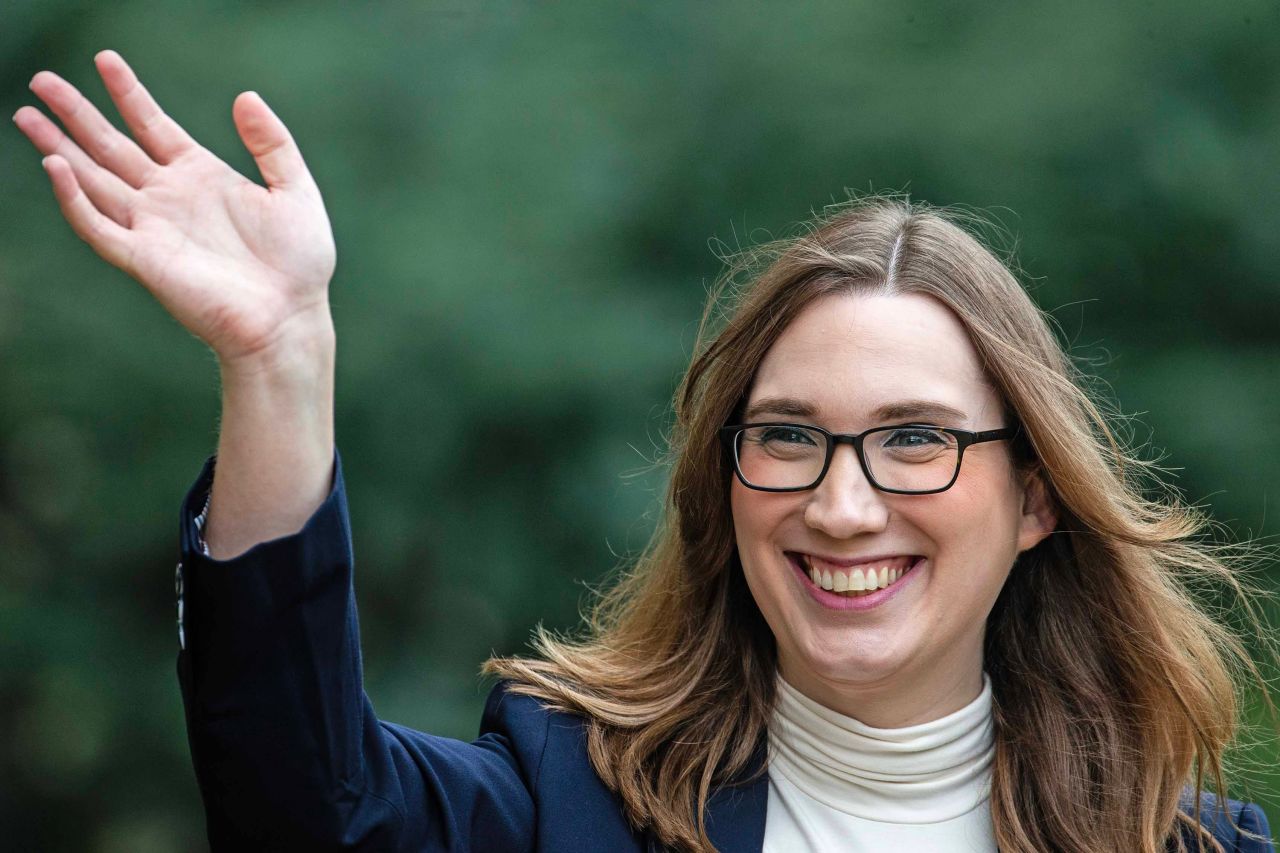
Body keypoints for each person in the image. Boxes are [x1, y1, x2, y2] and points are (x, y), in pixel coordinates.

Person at [15, 51, 1277, 853]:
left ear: (1035, 497)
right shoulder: (565, 797)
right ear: (723, 481)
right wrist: (280, 359)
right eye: (786, 437)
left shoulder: (1195, 848)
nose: (842, 506)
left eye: (914, 442)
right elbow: (299, 807)